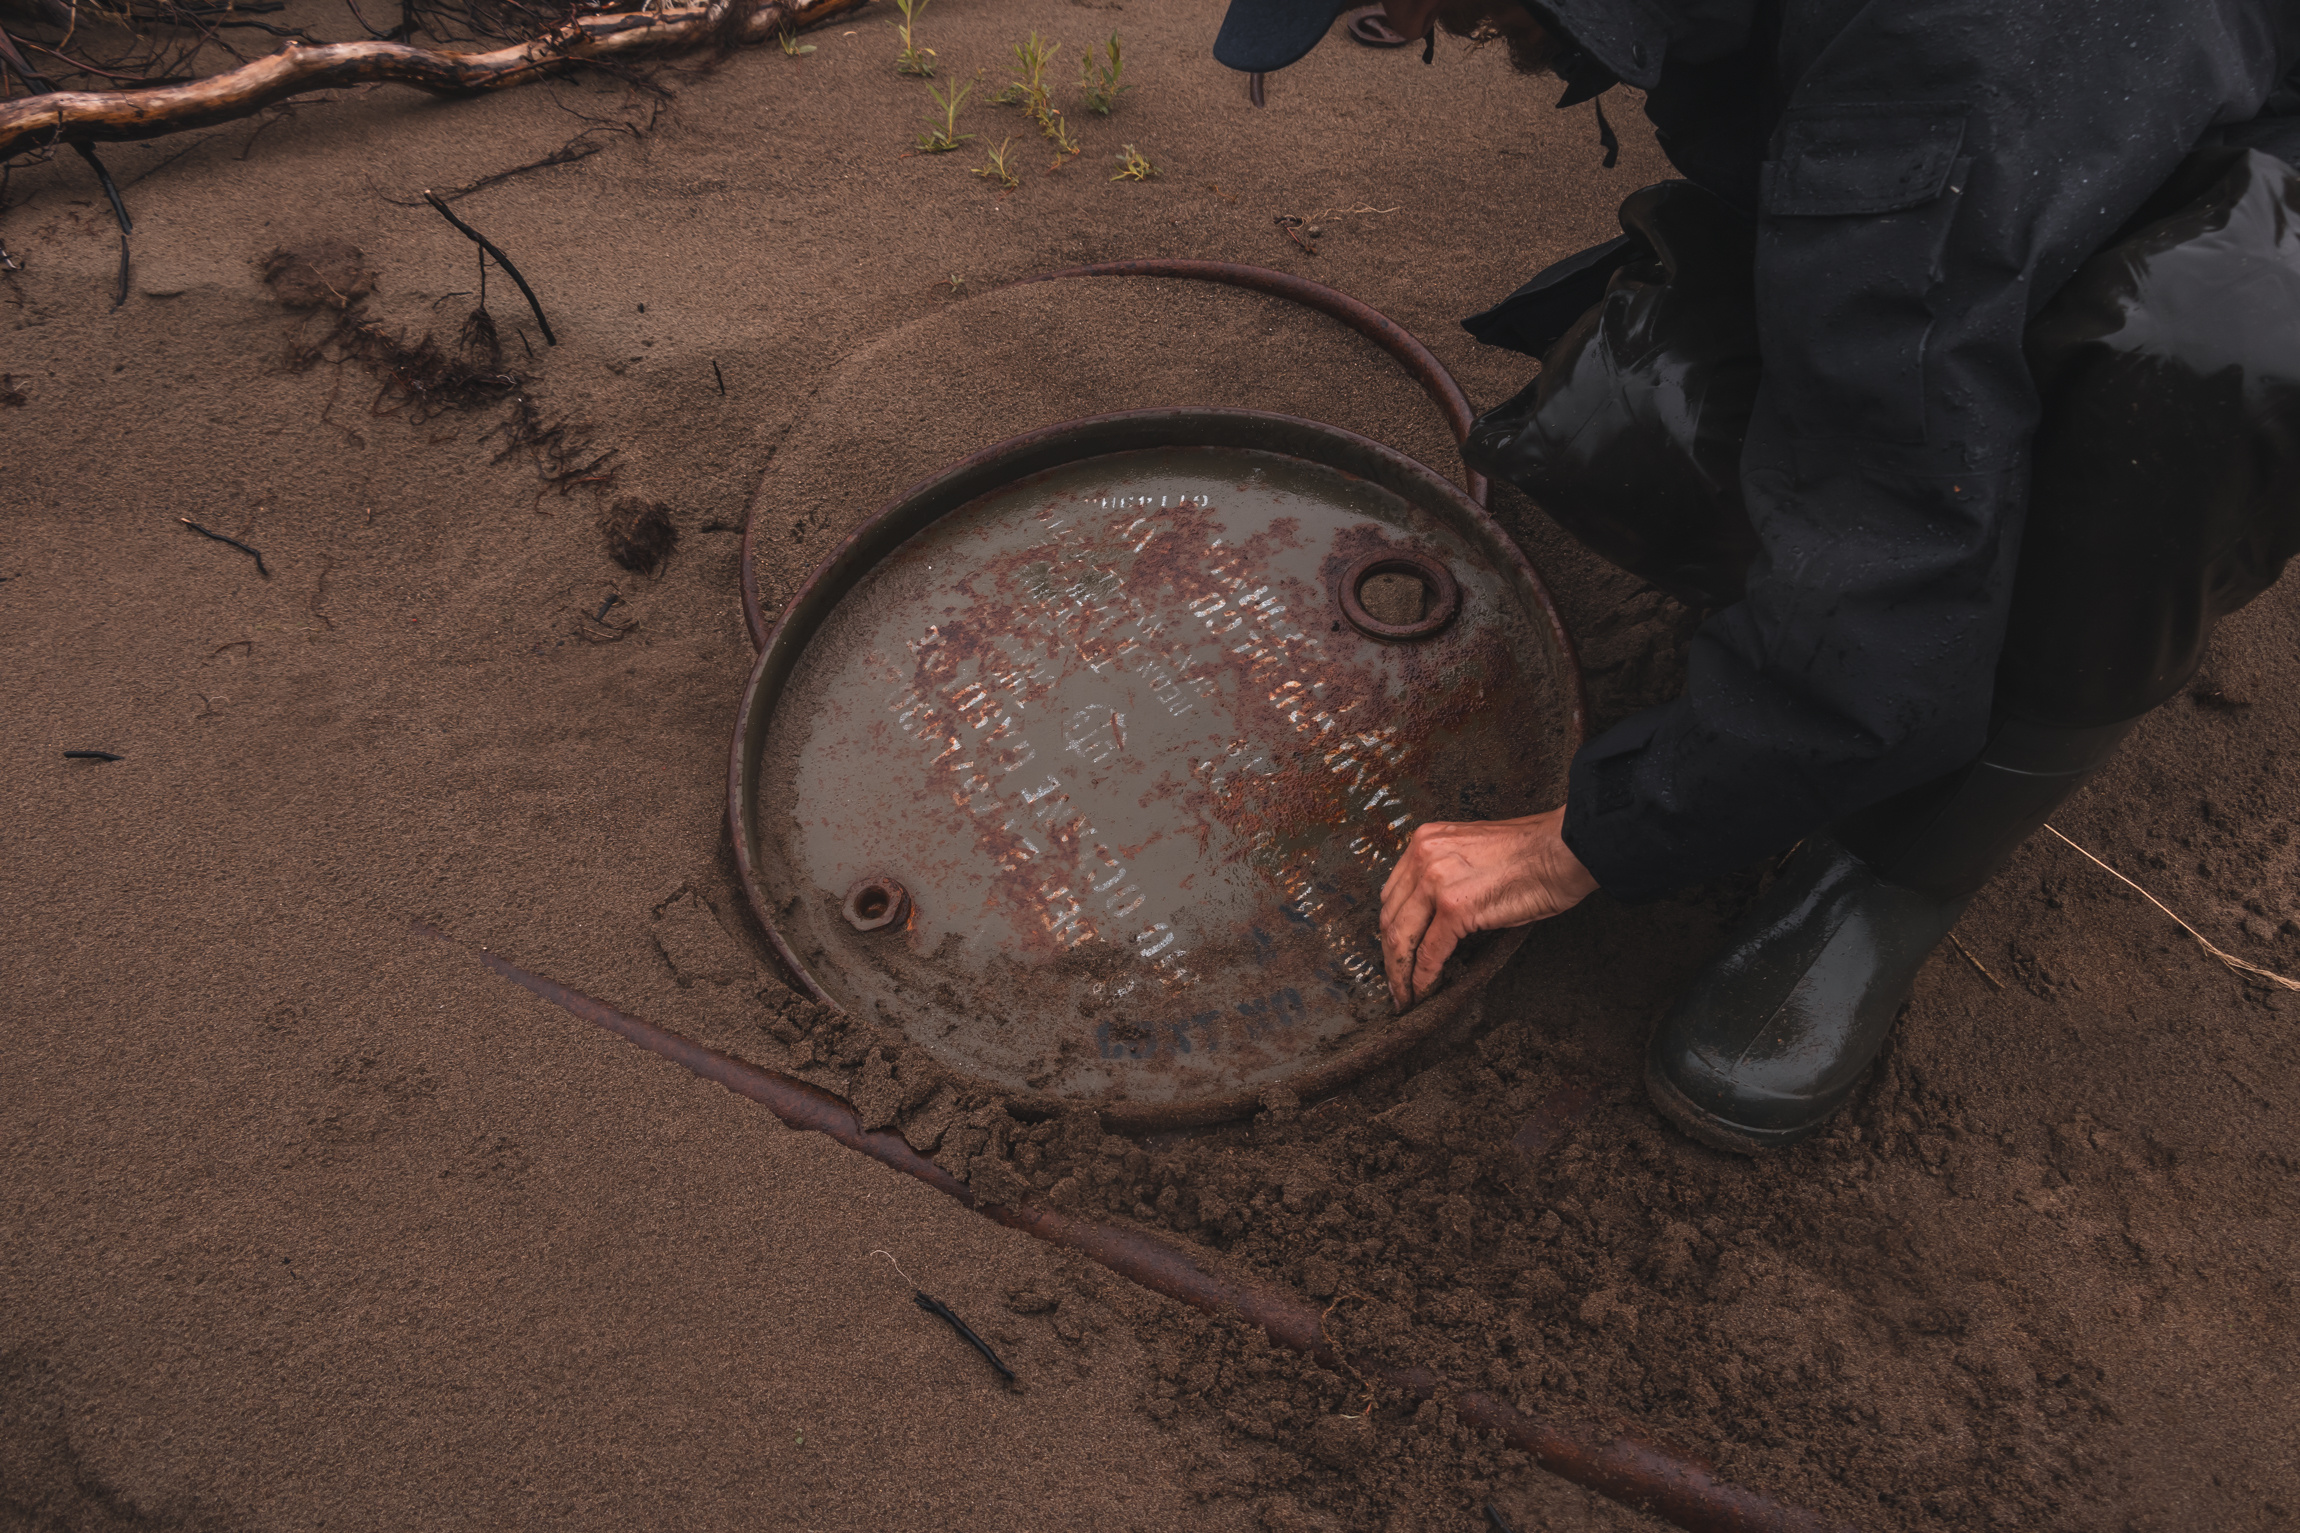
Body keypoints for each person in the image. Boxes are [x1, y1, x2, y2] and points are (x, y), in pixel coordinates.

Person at [1213, 0, 2300, 1149]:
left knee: (2201, 352)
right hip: (2106, 80)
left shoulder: (1925, 76)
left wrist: (1593, 835)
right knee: (1645, 408)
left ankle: (1906, 856)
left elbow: (1896, 538)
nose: (1389, 25)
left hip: (2228, 178)